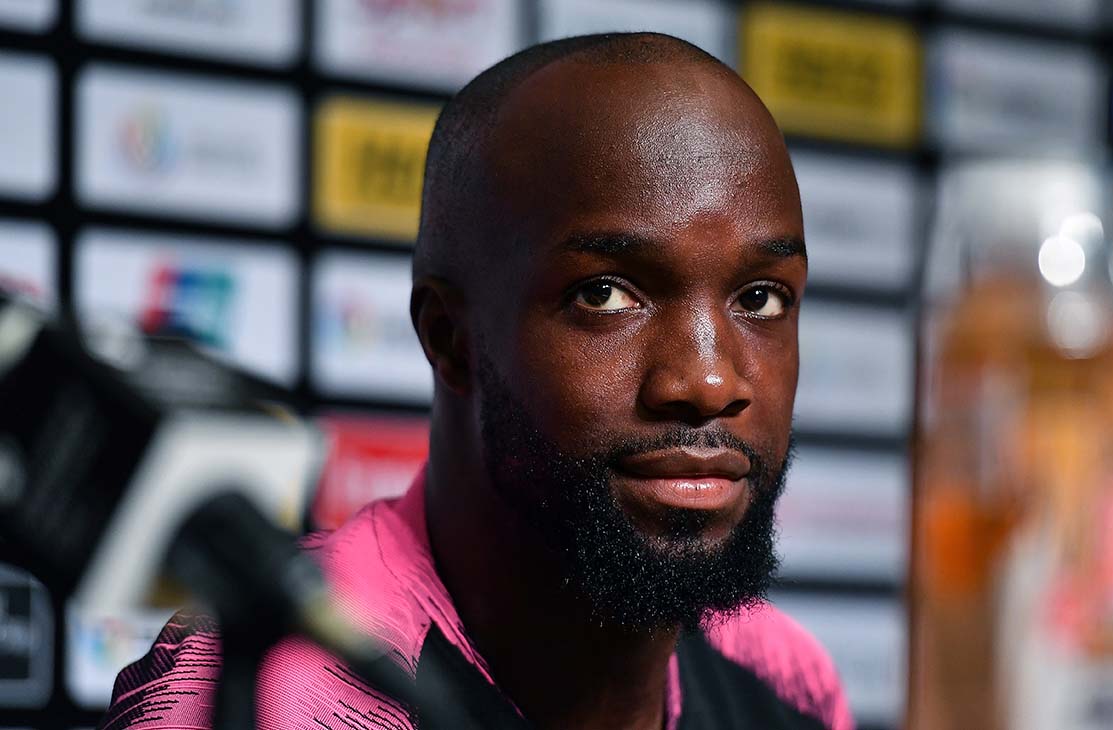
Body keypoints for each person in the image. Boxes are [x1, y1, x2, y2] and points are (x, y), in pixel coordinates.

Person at [100, 32, 853, 730]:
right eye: (605, 295)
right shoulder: (275, 695)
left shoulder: (787, 679)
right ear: (448, 337)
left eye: (761, 299)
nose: (710, 380)